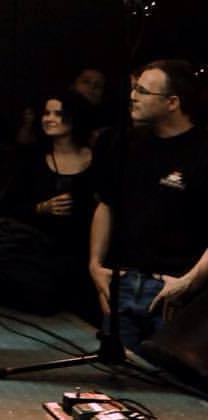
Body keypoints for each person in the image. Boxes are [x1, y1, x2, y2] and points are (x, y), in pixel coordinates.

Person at [89, 60, 208, 353]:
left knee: (166, 377)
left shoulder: (202, 151)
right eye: (134, 89)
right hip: (124, 280)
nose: (133, 96)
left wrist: (189, 282)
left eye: (143, 91)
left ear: (172, 102)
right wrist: (95, 264)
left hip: (172, 288)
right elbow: (107, 204)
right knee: (114, 372)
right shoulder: (127, 144)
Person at [0, 91, 98, 319]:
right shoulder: (34, 159)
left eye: (58, 113)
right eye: (46, 113)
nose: (49, 119)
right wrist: (41, 208)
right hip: (39, 253)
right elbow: (6, 209)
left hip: (83, 253)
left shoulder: (96, 159)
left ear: (74, 117)